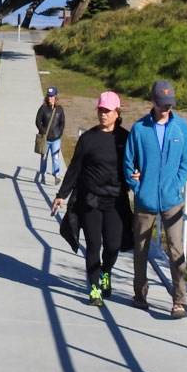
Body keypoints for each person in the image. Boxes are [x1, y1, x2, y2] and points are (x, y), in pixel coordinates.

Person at [52, 91, 129, 306]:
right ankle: (94, 287)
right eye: (101, 110)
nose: (103, 115)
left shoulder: (125, 138)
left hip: (115, 201)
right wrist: (61, 195)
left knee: (113, 245)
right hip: (91, 200)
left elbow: (134, 164)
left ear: (117, 112)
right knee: (94, 244)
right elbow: (75, 168)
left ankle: (106, 272)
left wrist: (138, 175)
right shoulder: (87, 139)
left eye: (107, 111)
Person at [124, 79, 187, 318]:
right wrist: (137, 185)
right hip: (145, 200)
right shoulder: (139, 128)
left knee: (176, 249)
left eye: (169, 105)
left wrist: (176, 184)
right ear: (152, 101)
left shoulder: (181, 128)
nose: (166, 109)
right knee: (141, 248)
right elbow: (128, 161)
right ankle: (140, 293)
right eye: (162, 104)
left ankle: (179, 301)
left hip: (172, 201)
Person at [35, 86, 65, 184]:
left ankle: (56, 175)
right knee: (44, 157)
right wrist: (43, 131)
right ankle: (42, 174)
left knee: (55, 157)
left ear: (56, 97)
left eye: (52, 96)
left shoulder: (59, 109)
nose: (50, 98)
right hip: (45, 139)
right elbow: (37, 121)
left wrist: (59, 133)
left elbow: (62, 122)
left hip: (56, 139)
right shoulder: (43, 108)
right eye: (48, 96)